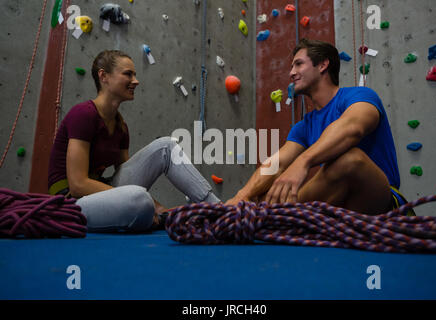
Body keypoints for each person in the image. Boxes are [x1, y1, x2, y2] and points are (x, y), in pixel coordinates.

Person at [227, 38, 412, 216]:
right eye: (292, 66)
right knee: (262, 196)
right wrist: (242, 196)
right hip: (340, 206)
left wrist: (303, 162)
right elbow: (276, 164)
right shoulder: (304, 126)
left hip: (379, 199)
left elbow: (353, 128)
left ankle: (275, 218)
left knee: (350, 160)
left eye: (298, 64)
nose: (291, 73)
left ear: (323, 65)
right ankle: (266, 217)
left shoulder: (359, 96)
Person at [48, 50, 220, 232]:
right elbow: (78, 185)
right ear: (103, 76)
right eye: (128, 74)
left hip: (105, 193)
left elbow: (130, 182)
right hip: (71, 203)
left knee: (166, 146)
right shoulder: (83, 114)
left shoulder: (121, 126)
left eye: (135, 75)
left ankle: (218, 209)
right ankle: (151, 215)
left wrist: (159, 207)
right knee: (140, 201)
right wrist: (149, 203)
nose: (136, 81)